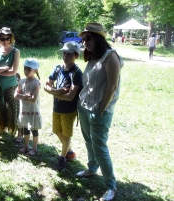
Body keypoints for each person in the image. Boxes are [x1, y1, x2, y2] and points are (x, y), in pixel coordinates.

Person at [76, 22, 124, 201]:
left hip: (99, 110)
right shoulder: (93, 56)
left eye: (87, 38)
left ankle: (111, 186)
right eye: (83, 38)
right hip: (84, 106)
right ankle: (92, 168)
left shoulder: (111, 57)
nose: (84, 42)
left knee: (100, 147)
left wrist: (102, 108)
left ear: (98, 38)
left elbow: (112, 86)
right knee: (89, 141)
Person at [44, 41, 83, 171]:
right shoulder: (57, 68)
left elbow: (70, 96)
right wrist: (58, 91)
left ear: (76, 55)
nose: (65, 55)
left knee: (66, 134)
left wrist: (52, 91)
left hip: (69, 110)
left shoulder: (77, 73)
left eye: (69, 54)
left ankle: (62, 158)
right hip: (57, 107)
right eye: (64, 52)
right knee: (56, 131)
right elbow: (47, 85)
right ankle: (70, 151)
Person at [0, 27, 20, 136]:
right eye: (3, 39)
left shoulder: (15, 51)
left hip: (11, 86)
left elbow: (13, 71)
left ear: (11, 38)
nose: (5, 41)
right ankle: (1, 128)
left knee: (12, 109)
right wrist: (4, 68)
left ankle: (13, 130)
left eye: (8, 38)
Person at [14, 58, 42, 156]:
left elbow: (33, 99)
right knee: (25, 128)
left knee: (34, 130)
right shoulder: (21, 82)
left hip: (33, 110)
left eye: (28, 69)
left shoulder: (36, 83)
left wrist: (21, 96)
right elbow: (15, 95)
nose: (26, 71)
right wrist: (25, 96)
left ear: (35, 71)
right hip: (24, 110)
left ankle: (34, 148)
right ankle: (26, 146)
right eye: (25, 69)